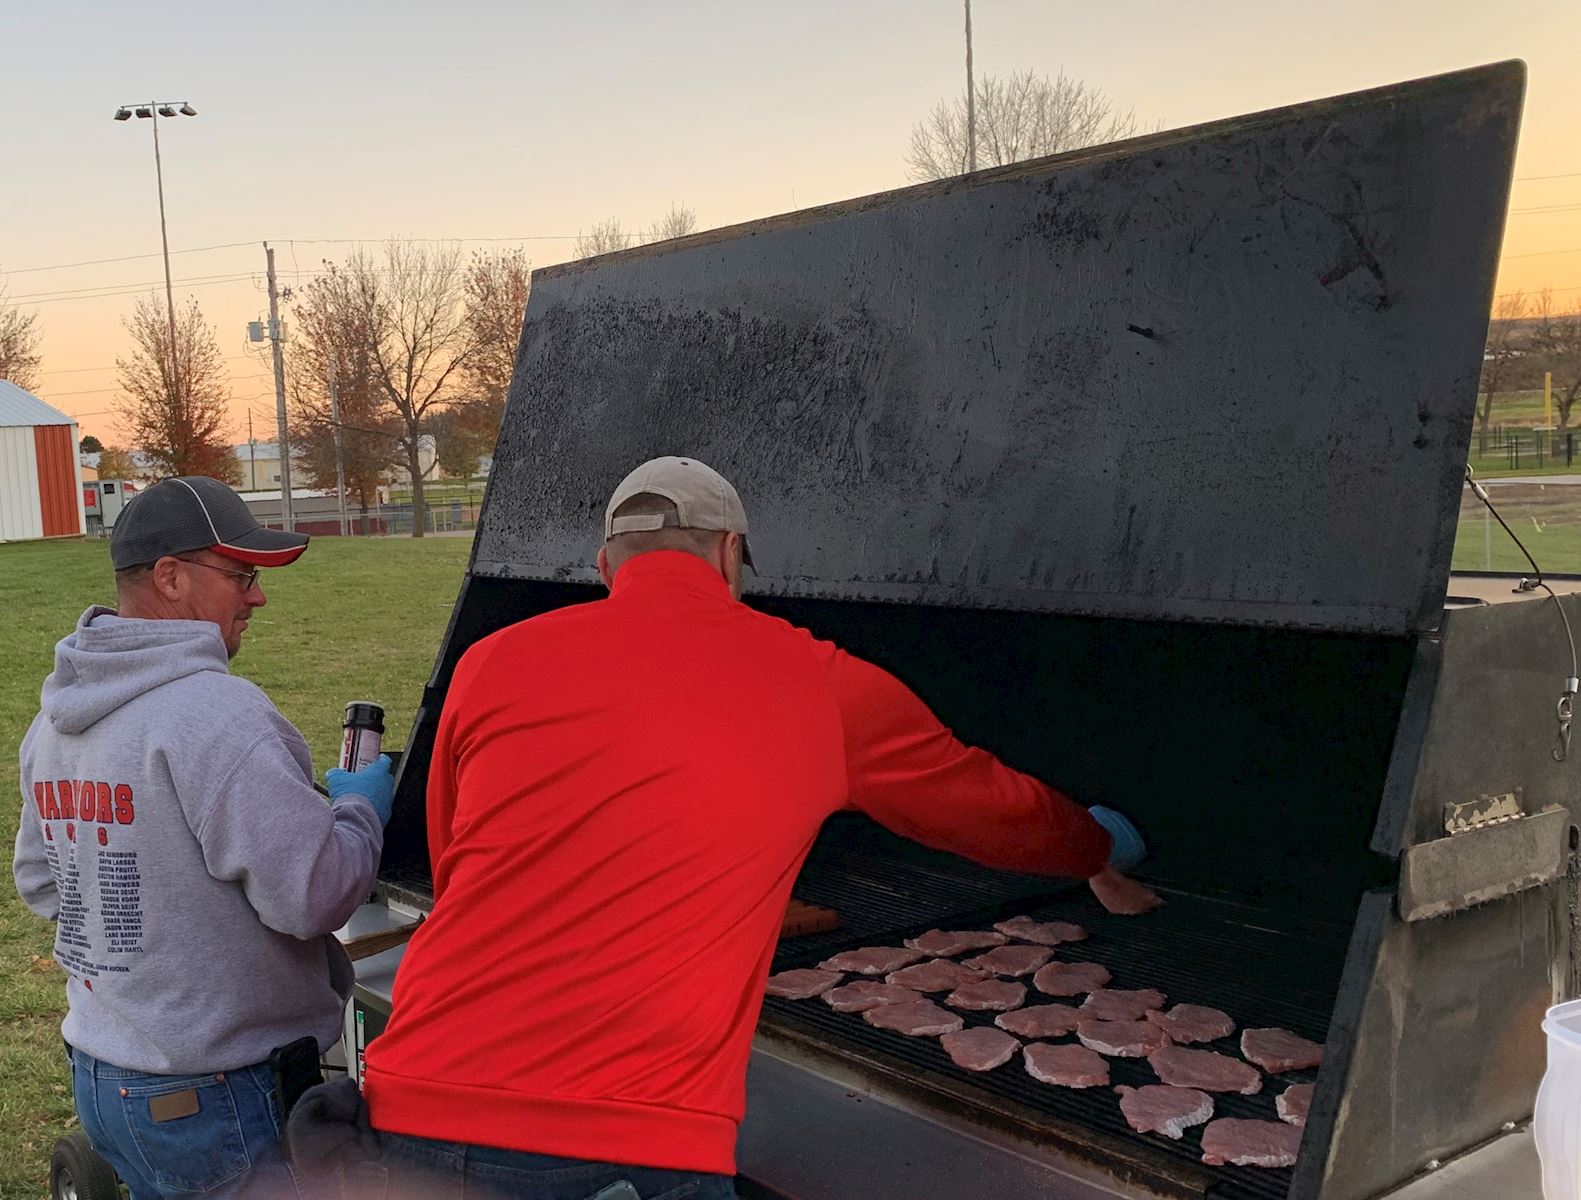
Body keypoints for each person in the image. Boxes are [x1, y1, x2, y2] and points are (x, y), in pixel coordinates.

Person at [358, 456, 1159, 1200]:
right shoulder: (819, 681)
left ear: (606, 566)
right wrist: (1097, 848)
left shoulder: (490, 662)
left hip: (416, 1095)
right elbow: (988, 808)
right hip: (628, 1141)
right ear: (731, 553)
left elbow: (457, 861)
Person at [11, 476, 396, 1200]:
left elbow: (39, 881)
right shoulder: (220, 715)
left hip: (105, 1073)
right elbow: (313, 897)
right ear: (170, 578)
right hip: (219, 1093)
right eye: (242, 576)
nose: (258, 598)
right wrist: (357, 812)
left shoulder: (53, 718)